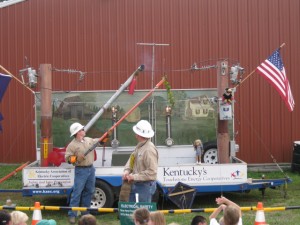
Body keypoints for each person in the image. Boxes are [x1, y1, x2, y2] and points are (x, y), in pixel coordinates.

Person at [65, 122, 106, 224]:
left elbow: (100, 141)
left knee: (90, 191)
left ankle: (85, 214)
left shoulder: (89, 140)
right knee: (77, 192)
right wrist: (77, 158)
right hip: (81, 170)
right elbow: (68, 159)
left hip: (90, 169)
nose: (83, 129)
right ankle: (72, 215)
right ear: (77, 132)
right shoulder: (72, 145)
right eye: (81, 129)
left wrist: (106, 136)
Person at [122, 120, 158, 203]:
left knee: (142, 213)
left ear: (139, 134)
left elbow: (152, 172)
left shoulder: (149, 149)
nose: (135, 135)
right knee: (136, 212)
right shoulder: (140, 146)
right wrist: (127, 171)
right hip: (139, 184)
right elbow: (132, 159)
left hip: (145, 186)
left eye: (136, 133)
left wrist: (134, 177)